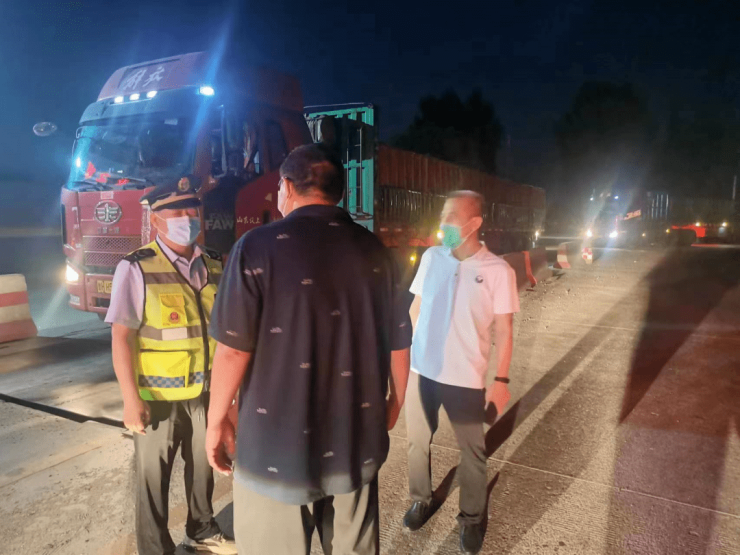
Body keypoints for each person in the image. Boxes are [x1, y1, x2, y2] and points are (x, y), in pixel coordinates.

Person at [205, 143, 412, 555]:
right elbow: (400, 341)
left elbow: (232, 350)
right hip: (355, 441)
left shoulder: (256, 247)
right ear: (340, 193)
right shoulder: (376, 251)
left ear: (285, 187)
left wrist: (216, 421)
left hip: (275, 451)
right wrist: (396, 401)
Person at [107, 176, 236, 555]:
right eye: (177, 212)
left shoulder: (214, 262)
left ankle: (201, 530)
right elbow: (121, 337)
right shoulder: (136, 267)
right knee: (153, 480)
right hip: (157, 396)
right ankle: (154, 549)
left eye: (192, 210)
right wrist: (130, 400)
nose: (187, 218)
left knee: (204, 466)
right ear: (156, 220)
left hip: (206, 392)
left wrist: (230, 396)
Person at [403, 190, 519, 555]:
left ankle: (471, 517)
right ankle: (421, 499)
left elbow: (505, 331)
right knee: (417, 442)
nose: (443, 224)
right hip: (422, 371)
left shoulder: (498, 271)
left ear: (475, 223)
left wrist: (500, 381)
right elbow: (415, 308)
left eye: (451, 217)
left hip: (466, 379)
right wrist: (407, 358)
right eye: (442, 215)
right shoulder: (431, 258)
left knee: (472, 453)